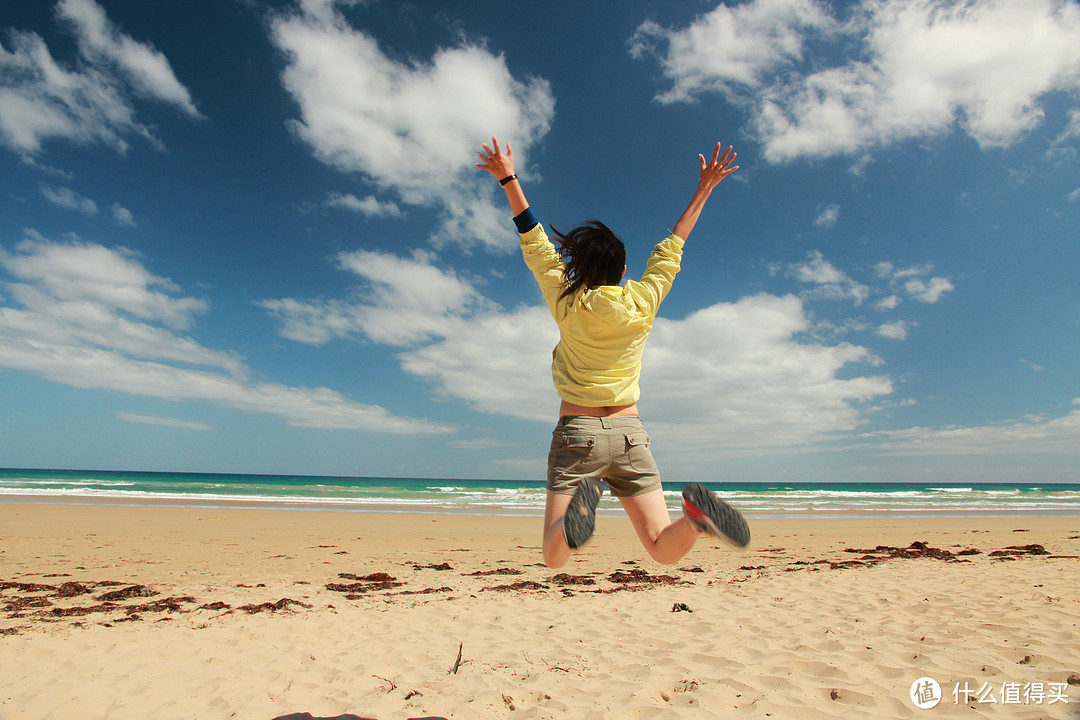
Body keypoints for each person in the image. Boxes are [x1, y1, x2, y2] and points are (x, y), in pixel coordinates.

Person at [475, 137, 750, 569]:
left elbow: (534, 239)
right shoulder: (642, 304)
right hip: (629, 434)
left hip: (577, 432)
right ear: (623, 270)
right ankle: (696, 520)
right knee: (662, 549)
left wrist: (508, 177)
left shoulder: (568, 303)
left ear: (577, 269)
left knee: (553, 558)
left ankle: (573, 526)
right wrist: (705, 188)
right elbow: (673, 246)